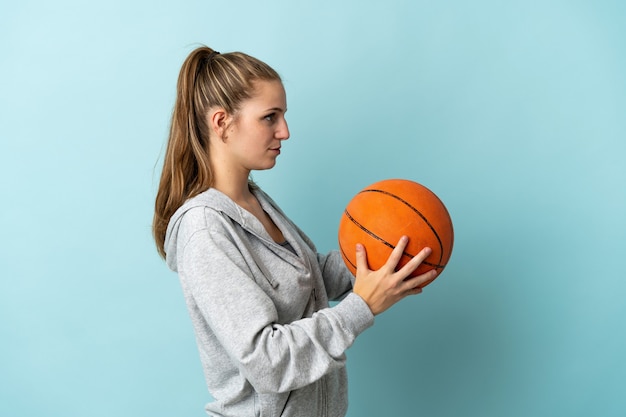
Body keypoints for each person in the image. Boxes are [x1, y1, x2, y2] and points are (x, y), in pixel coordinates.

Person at [152, 46, 437, 417]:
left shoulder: (256, 200)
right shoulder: (205, 230)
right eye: (270, 117)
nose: (284, 131)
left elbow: (308, 277)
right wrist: (362, 306)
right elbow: (267, 361)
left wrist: (389, 252)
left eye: (282, 116)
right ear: (221, 122)